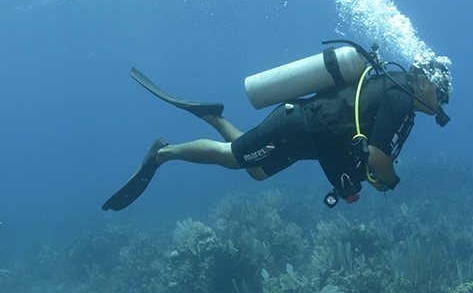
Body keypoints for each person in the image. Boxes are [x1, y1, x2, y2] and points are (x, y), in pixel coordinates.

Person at [102, 54, 452, 210]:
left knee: (256, 171)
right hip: (296, 126)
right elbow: (377, 155)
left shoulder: (394, 89)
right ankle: (163, 154)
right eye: (440, 92)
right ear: (422, 81)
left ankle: (211, 116)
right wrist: (391, 181)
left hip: (308, 135)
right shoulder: (400, 98)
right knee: (232, 158)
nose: (441, 100)